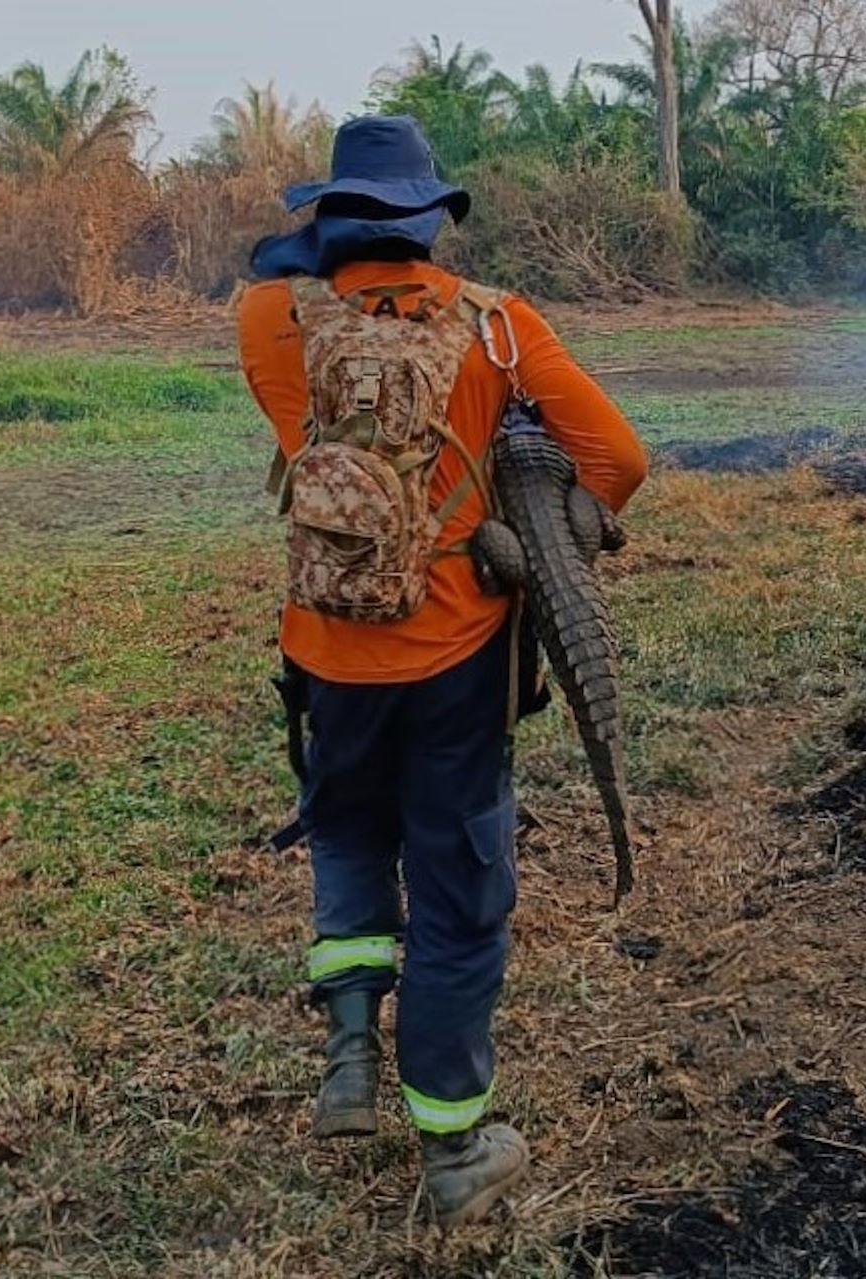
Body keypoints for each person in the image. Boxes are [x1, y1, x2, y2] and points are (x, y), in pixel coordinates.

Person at [236, 115, 647, 1227]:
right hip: (459, 657)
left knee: (349, 831)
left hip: (326, 649)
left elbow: (308, 454)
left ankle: (349, 1055)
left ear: (330, 216)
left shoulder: (269, 318)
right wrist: (575, 521)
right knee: (460, 894)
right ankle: (455, 1150)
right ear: (429, 220)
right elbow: (618, 456)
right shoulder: (501, 329)